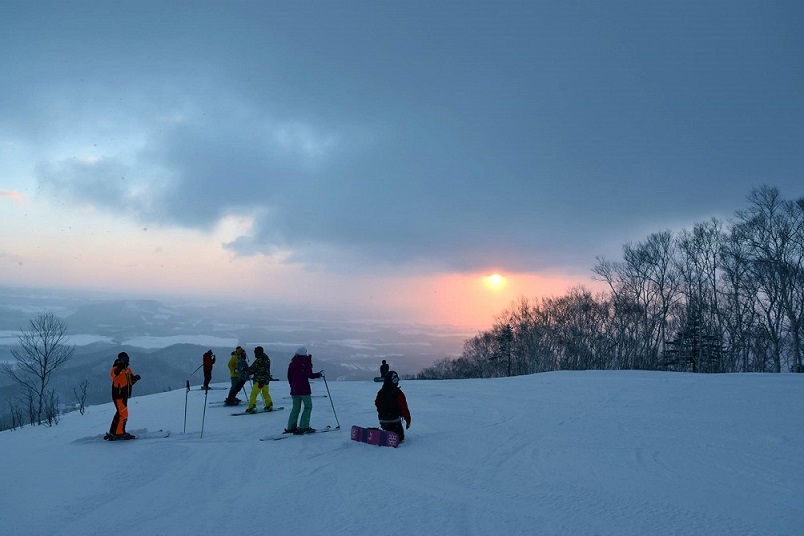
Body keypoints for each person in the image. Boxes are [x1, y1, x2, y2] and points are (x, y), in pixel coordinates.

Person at [285, 347, 323, 434]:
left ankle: (291, 427)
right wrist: (319, 374)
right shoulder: (305, 363)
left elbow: (289, 376)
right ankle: (304, 426)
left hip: (294, 390)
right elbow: (310, 375)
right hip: (304, 389)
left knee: (295, 408)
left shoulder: (292, 364)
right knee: (308, 407)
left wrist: (292, 386)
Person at [105, 352, 141, 441]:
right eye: (123, 359)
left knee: (119, 413)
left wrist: (135, 379)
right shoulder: (116, 369)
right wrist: (120, 366)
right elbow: (113, 375)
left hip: (125, 395)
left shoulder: (128, 370)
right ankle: (119, 433)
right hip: (118, 395)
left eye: (127, 359)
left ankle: (113, 432)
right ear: (120, 359)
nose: (126, 360)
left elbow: (130, 383)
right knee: (124, 414)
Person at [375, 370, 411, 442]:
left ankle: (383, 433)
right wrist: (408, 419)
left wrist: (381, 413)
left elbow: (377, 403)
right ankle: (396, 436)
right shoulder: (398, 393)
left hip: (383, 421)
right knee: (399, 437)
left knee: (387, 430)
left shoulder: (381, 392)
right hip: (395, 422)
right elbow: (403, 408)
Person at [245, 346, 274, 413]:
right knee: (265, 393)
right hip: (266, 380)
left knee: (254, 394)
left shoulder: (258, 360)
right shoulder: (267, 359)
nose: (255, 354)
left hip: (259, 380)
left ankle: (251, 407)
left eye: (255, 352)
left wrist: (246, 370)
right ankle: (269, 405)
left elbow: (252, 369)